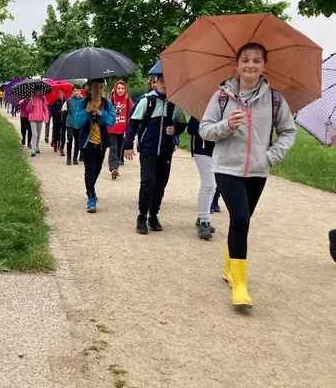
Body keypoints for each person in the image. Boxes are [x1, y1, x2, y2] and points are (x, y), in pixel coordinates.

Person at [200, 42, 296, 309]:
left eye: (256, 60)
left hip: (257, 170)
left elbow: (288, 132)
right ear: (237, 65)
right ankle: (240, 286)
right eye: (245, 60)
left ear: (264, 66)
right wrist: (226, 125)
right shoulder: (221, 96)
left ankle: (230, 268)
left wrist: (272, 155)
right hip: (226, 168)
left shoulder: (275, 99)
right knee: (241, 218)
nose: (250, 65)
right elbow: (204, 130)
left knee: (240, 221)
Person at [124, 72, 187, 234]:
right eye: (161, 81)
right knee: (148, 182)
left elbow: (182, 124)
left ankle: (153, 215)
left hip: (166, 151)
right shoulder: (147, 101)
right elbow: (133, 123)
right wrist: (128, 145)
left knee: (160, 184)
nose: (164, 84)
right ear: (155, 82)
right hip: (148, 149)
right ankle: (141, 216)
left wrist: (175, 130)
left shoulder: (175, 104)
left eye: (167, 81)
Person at [75, 78, 116, 213]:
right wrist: (86, 111)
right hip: (87, 143)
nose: (98, 90)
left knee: (97, 169)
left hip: (101, 143)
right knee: (90, 169)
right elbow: (77, 122)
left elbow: (112, 122)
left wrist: (101, 114)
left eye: (100, 87)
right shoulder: (83, 103)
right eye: (95, 87)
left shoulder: (107, 104)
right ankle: (91, 197)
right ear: (89, 88)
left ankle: (91, 190)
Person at [187, 117, 217, 240]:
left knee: (214, 186)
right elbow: (190, 130)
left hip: (220, 151)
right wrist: (200, 118)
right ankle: (204, 221)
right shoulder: (201, 110)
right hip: (203, 150)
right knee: (209, 184)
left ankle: (202, 216)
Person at [107, 80, 133, 179]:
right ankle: (113, 168)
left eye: (122, 88)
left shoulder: (128, 102)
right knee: (113, 149)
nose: (120, 90)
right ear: (115, 89)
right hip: (112, 129)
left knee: (119, 149)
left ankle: (116, 165)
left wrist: (128, 130)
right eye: (118, 88)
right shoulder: (111, 101)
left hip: (123, 131)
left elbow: (130, 118)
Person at [26, 86, 49, 157]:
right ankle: (33, 149)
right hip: (32, 119)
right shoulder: (31, 99)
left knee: (38, 135)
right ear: (34, 91)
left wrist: (46, 118)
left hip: (40, 119)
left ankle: (36, 146)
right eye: (36, 91)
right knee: (34, 134)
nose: (38, 92)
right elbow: (28, 110)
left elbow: (45, 109)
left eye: (39, 91)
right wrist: (30, 102)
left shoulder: (42, 99)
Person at [65, 84, 84, 166]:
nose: (77, 92)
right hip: (70, 123)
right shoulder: (68, 100)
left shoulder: (83, 101)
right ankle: (68, 157)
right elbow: (64, 110)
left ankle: (75, 157)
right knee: (69, 138)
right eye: (75, 91)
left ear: (81, 91)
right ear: (72, 92)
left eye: (78, 90)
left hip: (79, 124)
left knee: (78, 141)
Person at [51, 89, 67, 156]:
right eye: (58, 93)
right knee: (56, 134)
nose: (60, 94)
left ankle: (62, 148)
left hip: (64, 121)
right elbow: (53, 112)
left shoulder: (66, 101)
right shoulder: (56, 102)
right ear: (57, 94)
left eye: (61, 92)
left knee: (63, 135)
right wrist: (59, 111)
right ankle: (55, 142)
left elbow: (68, 110)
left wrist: (65, 111)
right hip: (57, 120)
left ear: (63, 93)